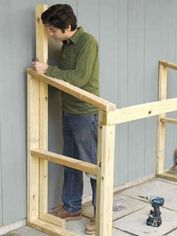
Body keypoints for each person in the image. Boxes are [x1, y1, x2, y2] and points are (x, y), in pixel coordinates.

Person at [31, 4, 99, 235]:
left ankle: (101, 213)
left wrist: (47, 70)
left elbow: (79, 78)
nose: (51, 34)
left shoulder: (88, 43)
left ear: (68, 27)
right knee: (71, 161)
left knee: (91, 164)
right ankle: (72, 207)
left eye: (53, 30)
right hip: (68, 110)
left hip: (85, 112)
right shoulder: (65, 46)